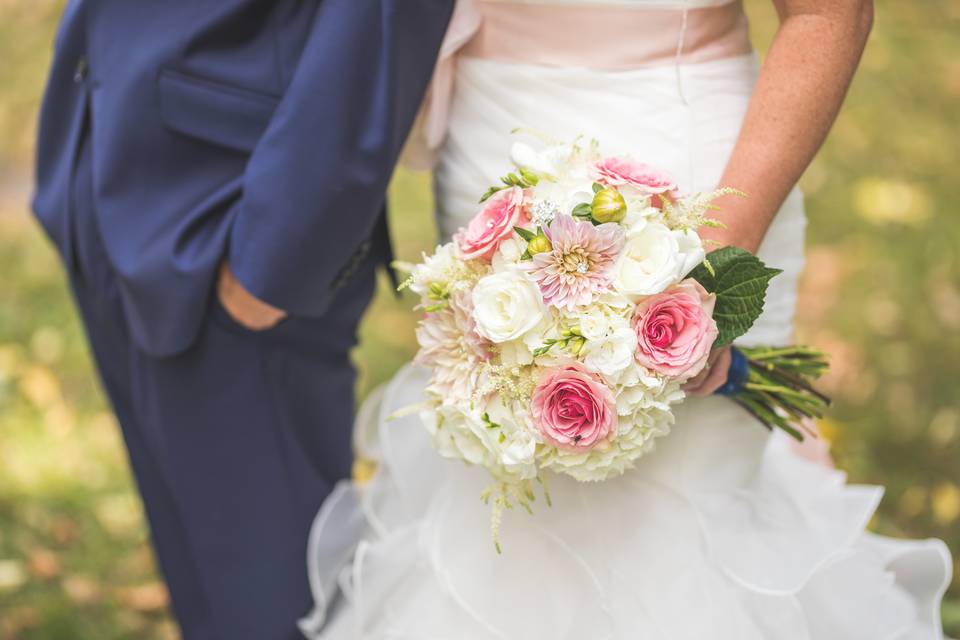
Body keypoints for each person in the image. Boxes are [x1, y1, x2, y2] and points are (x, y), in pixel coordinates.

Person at [301, 0, 953, 638]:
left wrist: (715, 272)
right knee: (511, 537)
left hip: (691, 179)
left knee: (678, 524)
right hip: (489, 149)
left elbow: (828, 14)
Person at [31, 1, 454, 638]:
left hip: (233, 216)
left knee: (267, 603)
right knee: (197, 578)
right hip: (103, 149)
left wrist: (277, 256)